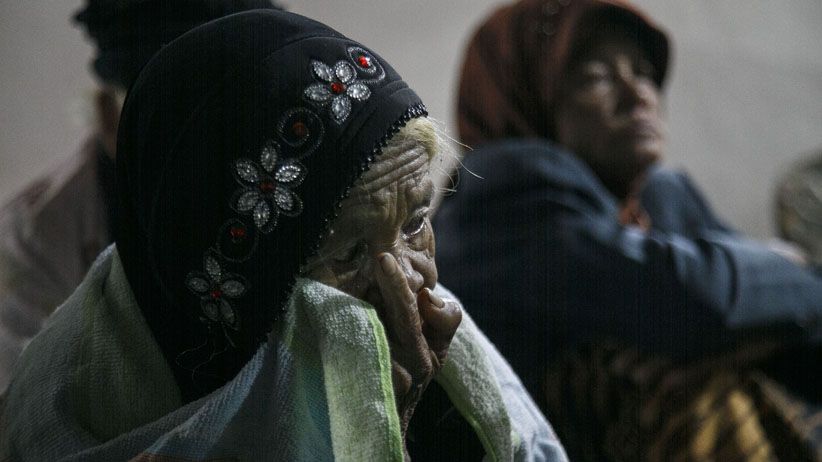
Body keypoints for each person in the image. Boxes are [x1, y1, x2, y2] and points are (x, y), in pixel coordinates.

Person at [0, 10, 568, 461]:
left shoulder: (449, 365)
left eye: (417, 221)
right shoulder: (69, 411)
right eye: (346, 251)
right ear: (235, 297)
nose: (414, 278)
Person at [434, 0, 822, 459]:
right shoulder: (506, 188)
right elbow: (690, 301)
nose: (639, 93)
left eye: (643, 71)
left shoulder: (662, 197)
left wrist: (757, 340)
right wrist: (788, 266)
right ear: (527, 90)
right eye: (597, 76)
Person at [0, 0, 283, 393]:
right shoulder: (35, 238)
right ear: (109, 117)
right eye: (170, 112)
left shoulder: (288, 182)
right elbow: (31, 415)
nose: (202, 140)